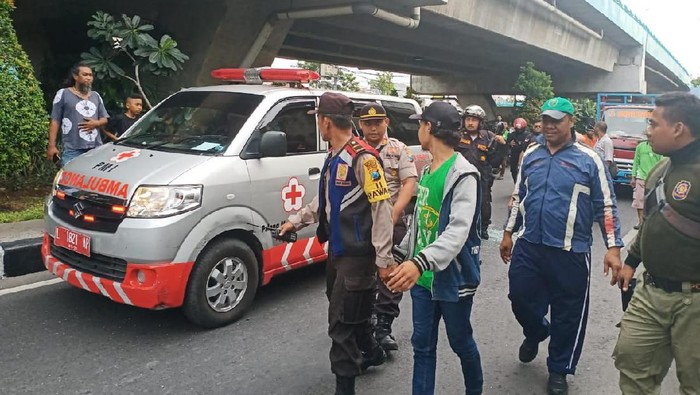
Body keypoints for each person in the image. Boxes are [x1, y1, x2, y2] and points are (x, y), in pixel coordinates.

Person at [500, 97, 623, 395]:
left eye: (556, 120)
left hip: (571, 251)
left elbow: (606, 205)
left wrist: (613, 247)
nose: (549, 125)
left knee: (568, 313)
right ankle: (536, 330)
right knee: (519, 295)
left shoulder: (588, 158)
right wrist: (507, 232)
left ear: (570, 122)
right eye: (545, 120)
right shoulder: (531, 154)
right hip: (529, 245)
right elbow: (519, 196)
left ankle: (559, 370)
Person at [278, 92, 395, 395]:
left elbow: (381, 209)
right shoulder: (335, 154)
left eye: (318, 119)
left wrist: (383, 259)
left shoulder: (364, 159)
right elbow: (328, 199)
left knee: (340, 324)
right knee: (346, 308)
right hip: (339, 252)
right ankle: (370, 351)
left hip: (358, 256)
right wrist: (298, 220)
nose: (318, 124)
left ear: (326, 121)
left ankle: (345, 385)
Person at [387, 102, 484, 395]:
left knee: (460, 342)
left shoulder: (464, 174)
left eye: (420, 124)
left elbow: (458, 231)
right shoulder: (427, 169)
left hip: (451, 278)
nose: (418, 129)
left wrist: (419, 263)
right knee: (422, 346)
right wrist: (400, 255)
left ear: (429, 127)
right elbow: (420, 222)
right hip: (423, 280)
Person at [612, 92, 700, 395]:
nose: (647, 130)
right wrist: (631, 261)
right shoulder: (659, 171)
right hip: (650, 292)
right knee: (633, 367)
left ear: (678, 129)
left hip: (695, 301)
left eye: (653, 123)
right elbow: (651, 222)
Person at [358, 102, 418, 351]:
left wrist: (393, 213)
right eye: (368, 123)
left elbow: (409, 182)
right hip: (361, 224)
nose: (373, 127)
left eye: (378, 122)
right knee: (361, 274)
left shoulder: (399, 149)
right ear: (360, 125)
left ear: (386, 123)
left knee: (391, 276)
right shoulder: (353, 150)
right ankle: (363, 322)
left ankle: (383, 325)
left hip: (393, 222)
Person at [456, 104, 505, 240]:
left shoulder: (488, 137)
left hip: (482, 177)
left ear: (480, 122)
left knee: (483, 203)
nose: (470, 123)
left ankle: (483, 227)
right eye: (468, 119)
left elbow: (494, 161)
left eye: (474, 120)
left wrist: (501, 146)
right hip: (460, 178)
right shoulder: (457, 136)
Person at [47, 63, 109, 167]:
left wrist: (96, 123)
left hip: (96, 148)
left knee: (92, 180)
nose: (88, 78)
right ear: (75, 76)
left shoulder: (96, 96)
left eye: (90, 75)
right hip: (73, 148)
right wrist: (52, 146)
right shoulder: (63, 94)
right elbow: (55, 120)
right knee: (69, 179)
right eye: (85, 75)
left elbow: (105, 119)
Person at [630, 138, 662, 229]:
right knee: (638, 200)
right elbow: (636, 162)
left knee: (652, 202)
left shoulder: (658, 147)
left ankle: (649, 223)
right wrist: (633, 177)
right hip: (641, 177)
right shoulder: (640, 147)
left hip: (654, 179)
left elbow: (661, 163)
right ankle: (641, 222)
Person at [506, 117, 532, 183]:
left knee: (524, 170)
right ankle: (516, 184)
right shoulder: (511, 135)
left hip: (525, 155)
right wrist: (509, 144)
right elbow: (506, 144)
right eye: (517, 129)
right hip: (514, 155)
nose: (519, 130)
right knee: (514, 171)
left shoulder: (528, 135)